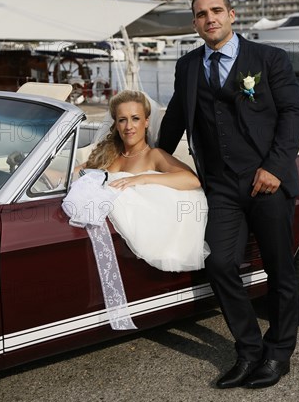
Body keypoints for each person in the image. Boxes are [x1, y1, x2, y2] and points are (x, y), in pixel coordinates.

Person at [158, 0, 299, 389]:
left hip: (267, 182)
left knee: (279, 271)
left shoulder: (268, 58)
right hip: (220, 185)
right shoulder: (188, 66)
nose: (210, 18)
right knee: (220, 263)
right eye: (202, 13)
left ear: (232, 14)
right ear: (195, 23)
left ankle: (279, 354)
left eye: (217, 10)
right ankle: (249, 351)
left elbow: (294, 113)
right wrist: (151, 161)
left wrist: (275, 167)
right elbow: (174, 118)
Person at [80, 89, 209, 272]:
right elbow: (74, 173)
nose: (128, 127)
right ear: (115, 124)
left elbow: (191, 180)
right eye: (122, 120)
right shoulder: (107, 156)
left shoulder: (154, 156)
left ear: (146, 121)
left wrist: (142, 178)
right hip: (101, 236)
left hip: (131, 247)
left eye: (135, 118)